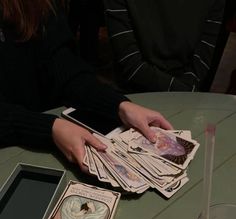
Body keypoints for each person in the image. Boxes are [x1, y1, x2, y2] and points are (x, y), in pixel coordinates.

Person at [0, 0, 172, 173]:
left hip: (41, 144)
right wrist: (49, 128)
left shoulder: (42, 5)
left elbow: (67, 73)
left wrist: (119, 105)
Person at [104, 0, 226, 93]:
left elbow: (203, 56)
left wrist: (186, 91)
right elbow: (130, 64)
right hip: (133, 94)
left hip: (187, 92)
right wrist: (184, 91)